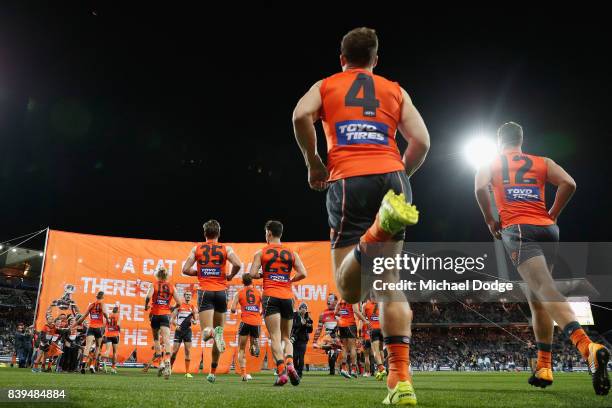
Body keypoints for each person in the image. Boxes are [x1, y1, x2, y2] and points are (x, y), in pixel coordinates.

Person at [292, 26, 429, 405]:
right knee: (389, 284)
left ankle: (374, 234)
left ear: (342, 59)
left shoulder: (327, 85)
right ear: (375, 61)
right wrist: (400, 175)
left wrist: (314, 164)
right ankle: (400, 380)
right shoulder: (395, 89)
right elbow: (423, 141)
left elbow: (300, 116)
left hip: (349, 179)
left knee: (349, 290)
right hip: (393, 177)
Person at [475, 121, 609, 395]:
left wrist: (490, 219)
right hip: (547, 228)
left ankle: (588, 348)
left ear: (500, 141)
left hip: (518, 228)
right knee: (536, 298)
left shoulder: (492, 162)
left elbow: (479, 189)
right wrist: (554, 213)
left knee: (544, 290)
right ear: (521, 140)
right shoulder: (542, 161)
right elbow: (569, 183)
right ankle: (544, 366)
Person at [182, 219, 242, 383]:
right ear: (219, 233)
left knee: (207, 332)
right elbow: (238, 264)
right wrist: (229, 276)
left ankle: (214, 332)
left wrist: (200, 272)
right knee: (218, 332)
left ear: (204, 234)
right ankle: (212, 372)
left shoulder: (197, 248)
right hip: (221, 292)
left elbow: (185, 269)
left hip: (205, 292)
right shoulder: (226, 248)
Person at [249, 220, 308, 386]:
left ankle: (282, 371)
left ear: (268, 233)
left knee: (274, 336)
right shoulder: (292, 253)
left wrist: (262, 275)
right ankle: (290, 362)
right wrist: (289, 280)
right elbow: (303, 273)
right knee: (286, 337)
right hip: (287, 296)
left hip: (270, 296)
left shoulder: (261, 252)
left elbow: (252, 273)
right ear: (280, 233)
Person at [144, 267, 181, 380]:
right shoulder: (171, 286)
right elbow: (179, 302)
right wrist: (172, 307)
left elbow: (148, 297)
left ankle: (160, 363)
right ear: (166, 276)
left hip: (155, 314)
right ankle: (167, 361)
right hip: (165, 315)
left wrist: (146, 305)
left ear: (157, 275)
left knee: (156, 339)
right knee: (166, 339)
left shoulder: (154, 284)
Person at [230, 273, 263, 381]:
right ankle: (254, 347)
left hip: (245, 321)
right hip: (256, 322)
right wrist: (259, 313)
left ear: (242, 282)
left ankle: (244, 374)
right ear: (252, 281)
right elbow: (265, 308)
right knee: (253, 349)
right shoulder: (259, 293)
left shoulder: (239, 293)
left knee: (241, 349)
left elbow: (233, 309)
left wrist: (240, 308)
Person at [76, 291, 109, 374]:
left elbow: (83, 317)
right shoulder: (103, 304)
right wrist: (107, 318)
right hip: (99, 328)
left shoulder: (91, 305)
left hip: (91, 327)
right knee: (98, 346)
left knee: (87, 346)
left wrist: (75, 325)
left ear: (96, 296)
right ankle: (92, 365)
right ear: (103, 297)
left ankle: (84, 362)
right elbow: (105, 312)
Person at [335, 298, 368, 378]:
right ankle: (353, 369)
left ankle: (343, 368)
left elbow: (335, 312)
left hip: (342, 325)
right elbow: (357, 311)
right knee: (353, 348)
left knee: (345, 348)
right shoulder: (353, 299)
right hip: (350, 324)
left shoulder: (340, 299)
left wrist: (342, 317)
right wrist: (365, 321)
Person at [170, 291, 198, 378]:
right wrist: (176, 325)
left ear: (191, 296)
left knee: (188, 351)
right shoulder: (179, 305)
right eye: (187, 295)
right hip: (179, 331)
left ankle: (187, 372)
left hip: (187, 332)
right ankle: (169, 369)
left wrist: (194, 321)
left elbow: (195, 321)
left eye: (190, 295)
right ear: (184, 296)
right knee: (174, 352)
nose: (188, 296)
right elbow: (172, 319)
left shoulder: (193, 307)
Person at [313, 293, 339, 374]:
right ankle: (332, 371)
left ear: (336, 302)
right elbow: (319, 329)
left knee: (338, 352)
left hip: (339, 337)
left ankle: (344, 369)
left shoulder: (340, 313)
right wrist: (314, 341)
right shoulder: (323, 314)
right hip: (327, 338)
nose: (328, 302)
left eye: (330, 300)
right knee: (332, 353)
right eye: (328, 300)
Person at [363, 294, 386, 380]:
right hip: (382, 329)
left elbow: (362, 316)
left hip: (373, 329)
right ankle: (381, 370)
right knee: (381, 350)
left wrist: (366, 321)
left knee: (375, 351)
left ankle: (381, 368)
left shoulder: (366, 305)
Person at [291, 302, 313, 378]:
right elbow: (292, 325)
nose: (303, 311)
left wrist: (308, 325)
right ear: (299, 309)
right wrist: (301, 323)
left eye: (305, 309)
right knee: (294, 356)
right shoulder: (294, 315)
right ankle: (296, 370)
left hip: (303, 339)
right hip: (295, 338)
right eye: (302, 309)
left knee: (301, 357)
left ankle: (299, 373)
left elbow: (310, 330)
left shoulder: (308, 317)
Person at [102, 305, 121, 374]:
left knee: (107, 350)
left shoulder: (109, 316)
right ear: (118, 311)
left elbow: (104, 325)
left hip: (108, 334)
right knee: (115, 352)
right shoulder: (118, 316)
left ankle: (104, 362)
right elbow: (118, 325)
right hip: (115, 335)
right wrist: (119, 331)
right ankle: (113, 367)